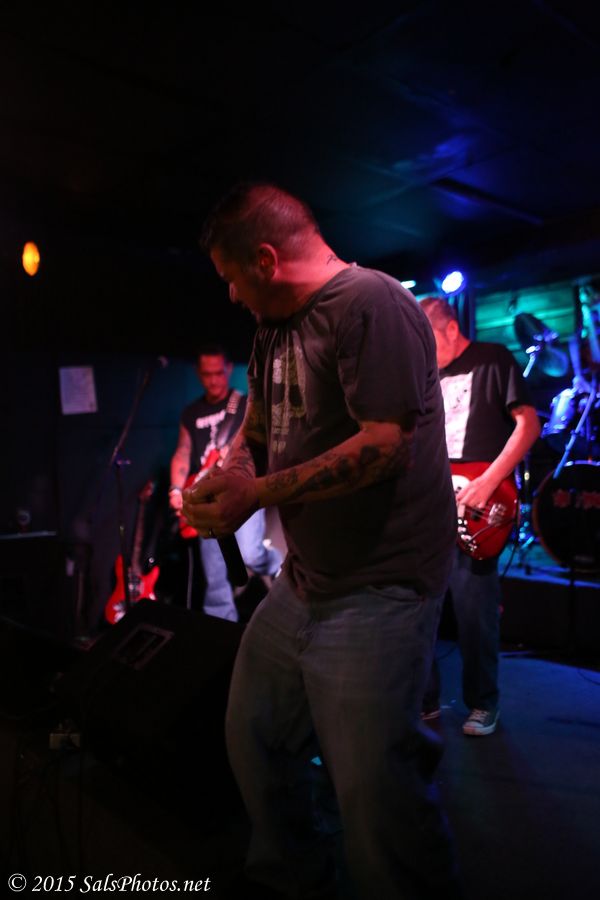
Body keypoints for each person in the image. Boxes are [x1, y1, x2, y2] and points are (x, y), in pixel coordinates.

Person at [182, 183, 460, 900]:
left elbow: (386, 446)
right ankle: (295, 876)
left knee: (377, 794)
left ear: (265, 260)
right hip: (307, 581)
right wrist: (230, 475)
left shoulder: (371, 303)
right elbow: (255, 432)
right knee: (253, 735)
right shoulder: (272, 329)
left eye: (233, 278)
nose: (233, 296)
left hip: (383, 586)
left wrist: (258, 495)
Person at [419, 297, 541, 737]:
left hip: (480, 499)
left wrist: (489, 481)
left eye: (429, 340)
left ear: (451, 329)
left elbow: (528, 425)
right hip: (432, 502)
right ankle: (425, 700)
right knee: (420, 609)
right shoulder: (425, 376)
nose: (424, 352)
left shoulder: (494, 358)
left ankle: (483, 703)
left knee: (475, 611)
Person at [169, 345, 282, 621]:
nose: (213, 380)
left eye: (218, 373)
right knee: (215, 574)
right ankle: (221, 630)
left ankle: (277, 564)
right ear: (198, 373)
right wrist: (176, 488)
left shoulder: (243, 405)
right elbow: (182, 451)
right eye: (207, 374)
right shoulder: (191, 413)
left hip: (240, 490)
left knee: (249, 553)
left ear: (229, 369)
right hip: (207, 495)